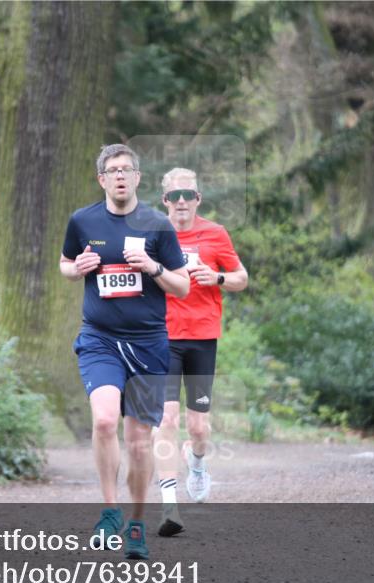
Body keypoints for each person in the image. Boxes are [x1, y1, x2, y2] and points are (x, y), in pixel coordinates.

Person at [59, 145, 189, 559]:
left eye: (126, 169)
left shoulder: (157, 225)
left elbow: (182, 286)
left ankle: (136, 523)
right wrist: (76, 268)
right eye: (112, 171)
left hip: (149, 344)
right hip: (100, 339)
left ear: (137, 177)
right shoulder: (83, 220)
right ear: (101, 180)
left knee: (137, 441)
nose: (119, 176)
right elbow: (64, 263)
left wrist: (151, 267)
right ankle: (110, 511)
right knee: (103, 421)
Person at [152, 167, 248, 537]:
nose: (180, 202)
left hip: (202, 337)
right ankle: (169, 503)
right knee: (166, 420)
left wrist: (218, 277)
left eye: (187, 195)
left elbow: (241, 278)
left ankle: (197, 463)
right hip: (161, 336)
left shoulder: (215, 233)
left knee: (198, 428)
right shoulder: (152, 233)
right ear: (164, 201)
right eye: (174, 196)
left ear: (197, 199)